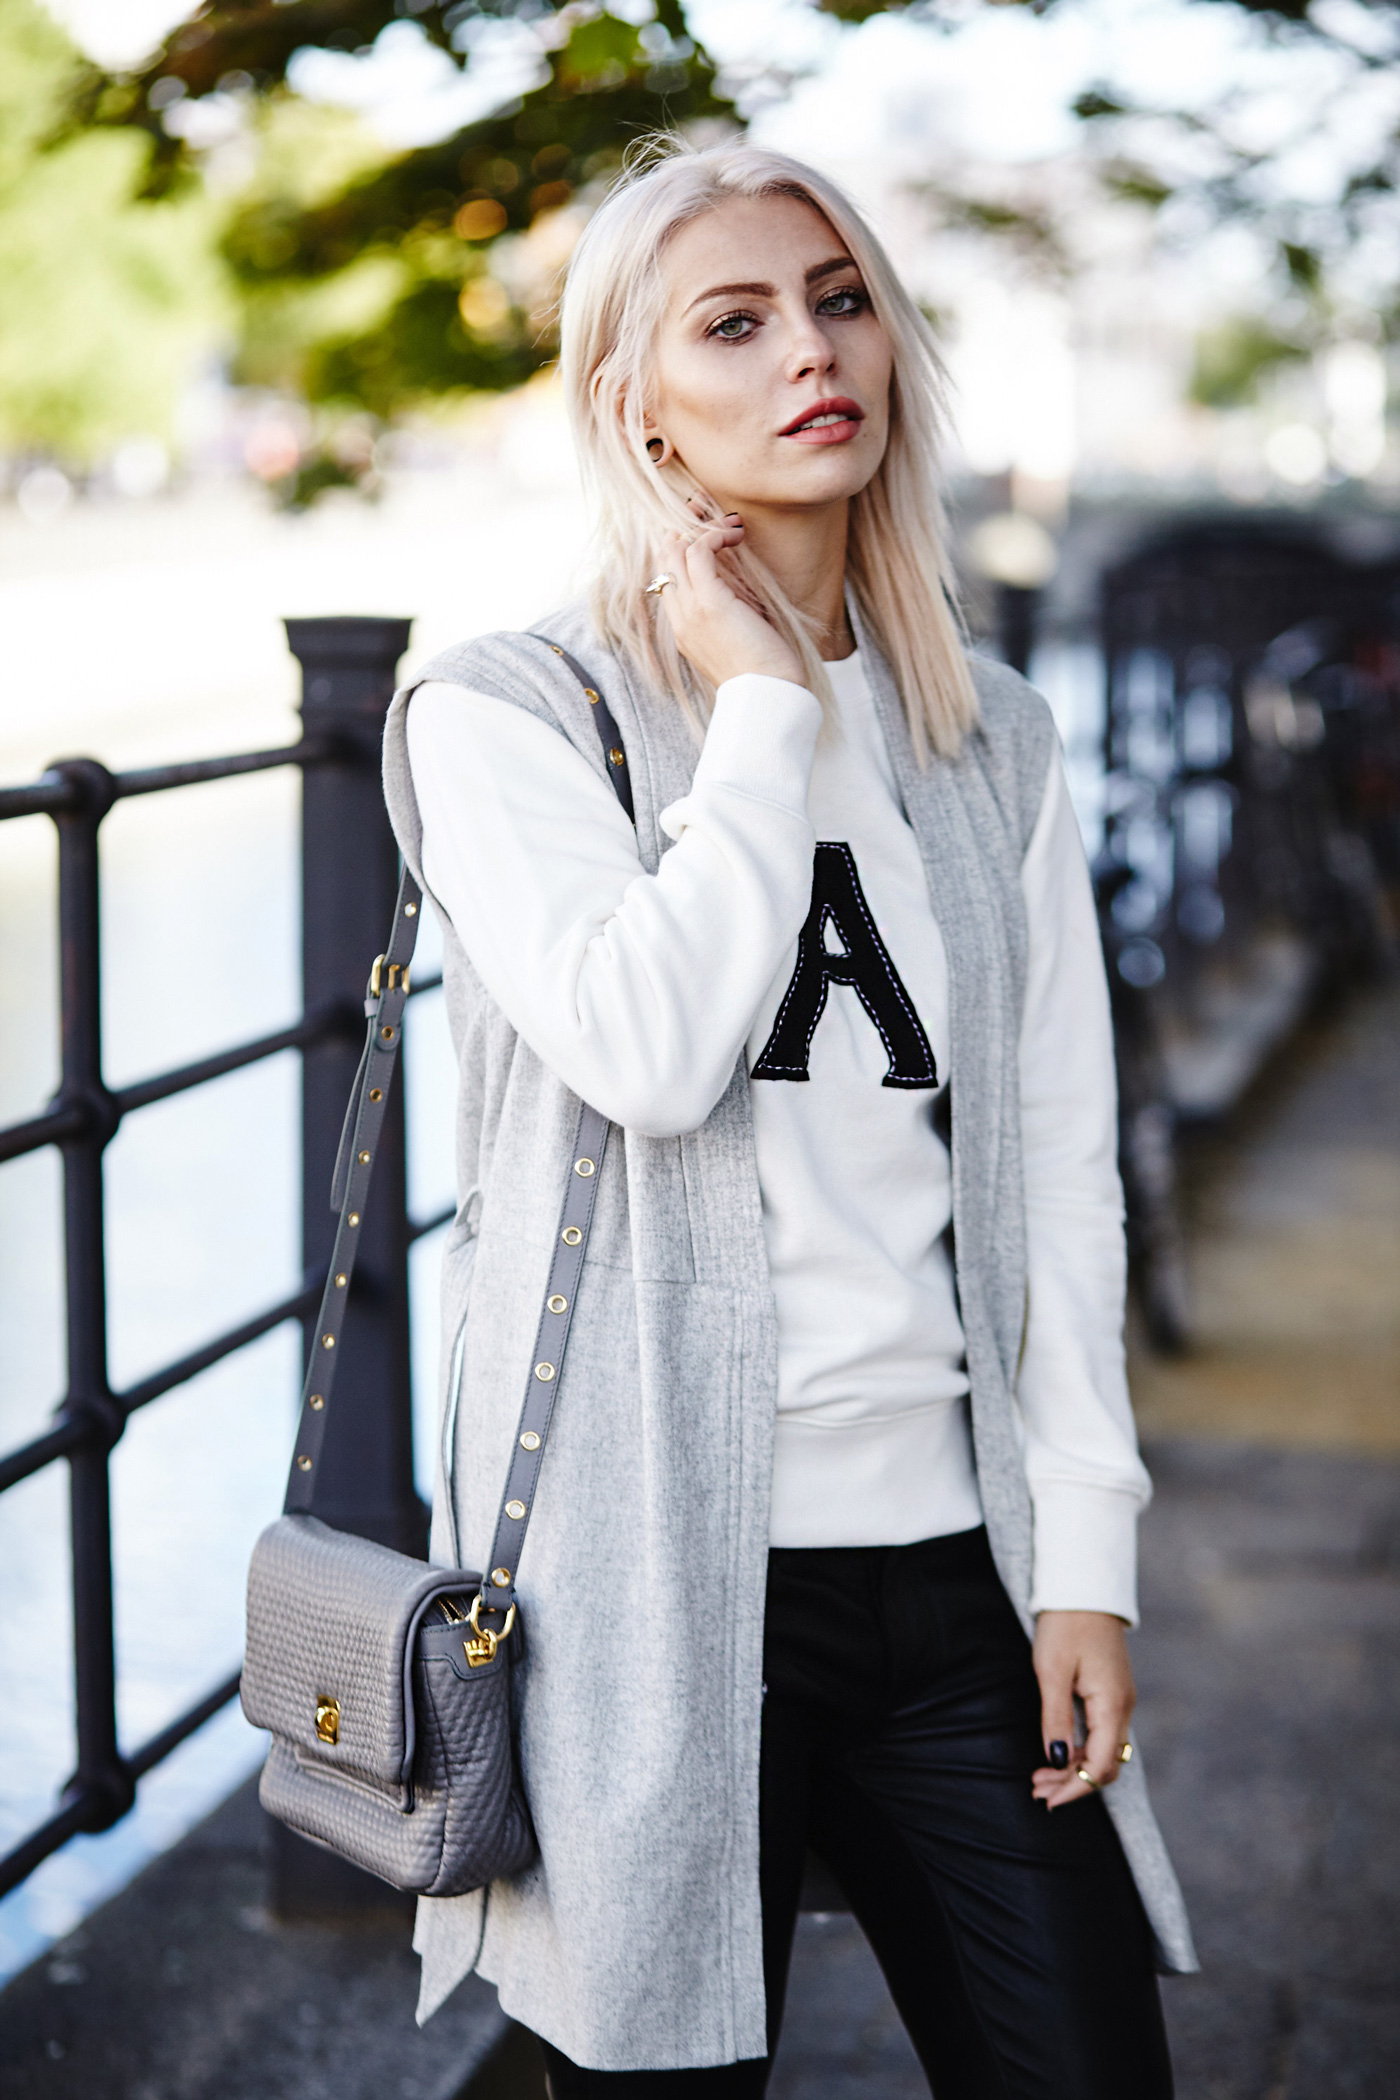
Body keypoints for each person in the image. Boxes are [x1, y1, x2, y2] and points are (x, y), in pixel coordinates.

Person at [382, 136, 1195, 2098]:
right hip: (651, 1586)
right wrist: (754, 705)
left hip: (950, 1572)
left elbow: (1055, 1176)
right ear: (630, 402)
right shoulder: (507, 717)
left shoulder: (985, 731)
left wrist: (1083, 1554)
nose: (803, 353)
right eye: (728, 323)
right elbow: (651, 1055)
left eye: (834, 301)